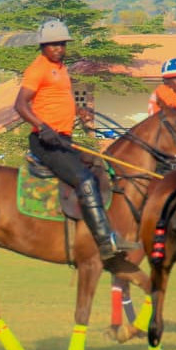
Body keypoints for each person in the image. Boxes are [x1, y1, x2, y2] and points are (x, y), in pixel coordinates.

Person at [14, 19, 140, 275]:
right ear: (43, 46)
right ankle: (105, 241)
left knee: (98, 166)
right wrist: (42, 127)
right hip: (45, 142)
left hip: (63, 139)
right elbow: (20, 105)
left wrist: (79, 111)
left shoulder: (61, 68)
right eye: (54, 45)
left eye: (62, 44)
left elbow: (58, 99)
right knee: (84, 180)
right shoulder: (37, 69)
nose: (59, 48)